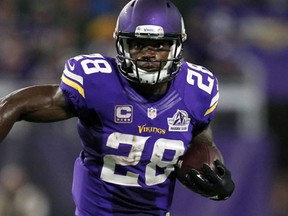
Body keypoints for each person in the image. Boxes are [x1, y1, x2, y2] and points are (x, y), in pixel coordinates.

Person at [0, 0, 235, 215]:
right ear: (121, 44)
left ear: (177, 46)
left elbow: (200, 133)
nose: (149, 54)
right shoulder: (99, 82)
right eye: (138, 44)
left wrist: (214, 171)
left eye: (159, 45)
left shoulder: (197, 90)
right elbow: (17, 105)